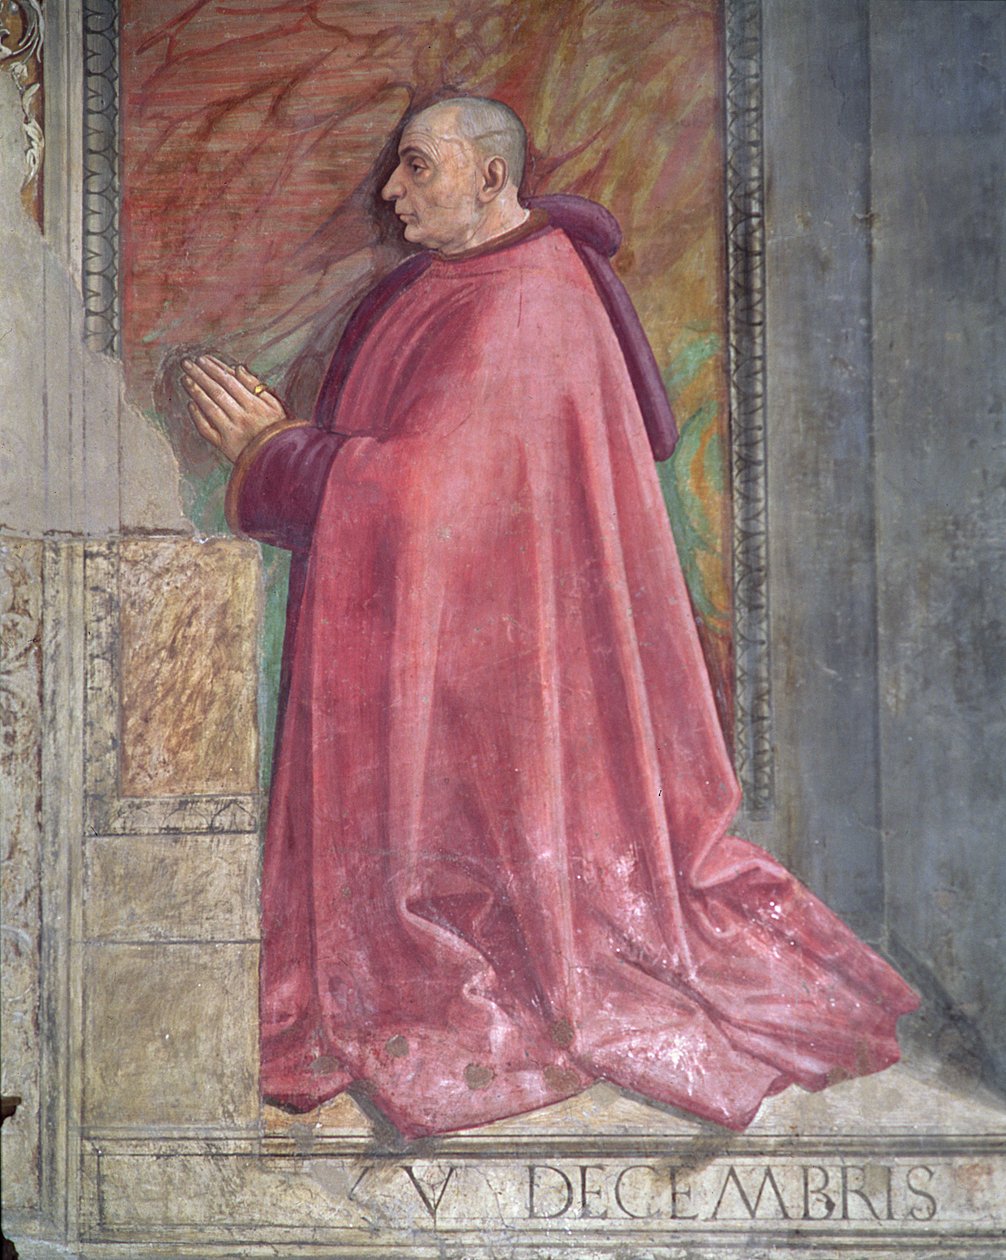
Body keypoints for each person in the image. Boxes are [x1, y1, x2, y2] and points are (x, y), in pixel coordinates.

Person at [183, 96, 918, 1139]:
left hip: (513, 655)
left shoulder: (530, 296)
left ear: (491, 179)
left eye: (417, 167)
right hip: (474, 640)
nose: (390, 192)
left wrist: (274, 454)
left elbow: (423, 500)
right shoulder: (464, 279)